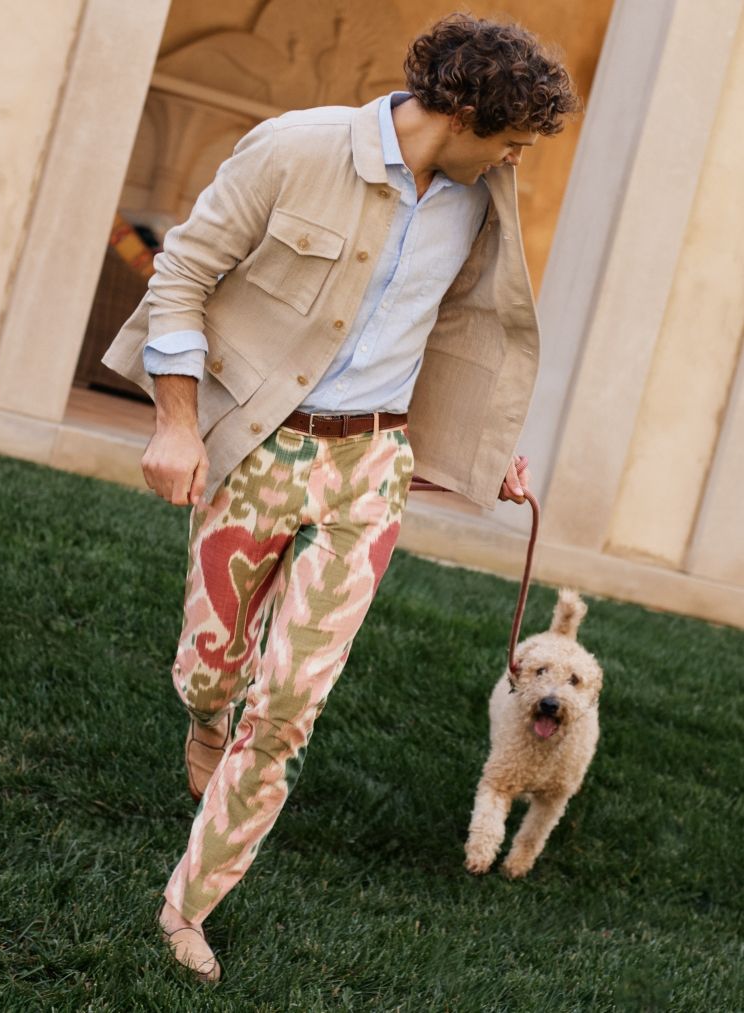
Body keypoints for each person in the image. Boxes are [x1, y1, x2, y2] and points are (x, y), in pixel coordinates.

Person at [103, 12, 578, 981]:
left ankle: (186, 903)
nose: (518, 157)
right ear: (465, 109)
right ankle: (206, 709)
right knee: (212, 668)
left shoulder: (481, 196)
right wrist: (175, 422)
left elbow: (462, 331)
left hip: (370, 471)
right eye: (513, 136)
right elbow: (181, 275)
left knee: (286, 707)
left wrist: (490, 451)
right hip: (258, 445)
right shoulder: (295, 147)